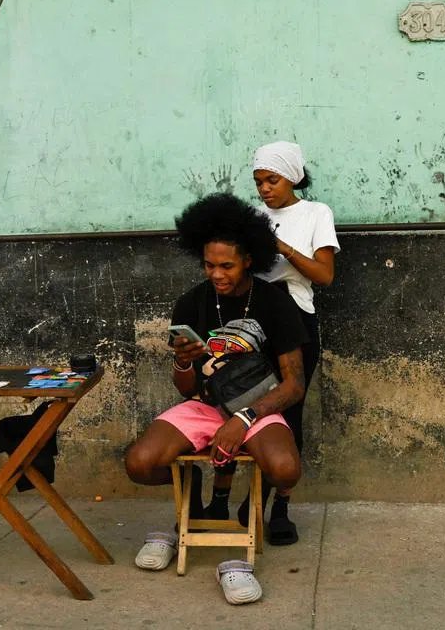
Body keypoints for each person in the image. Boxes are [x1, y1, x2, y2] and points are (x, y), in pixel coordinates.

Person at [125, 192, 307, 604]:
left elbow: (293, 385)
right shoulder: (192, 302)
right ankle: (188, 489)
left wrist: (243, 419)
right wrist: (185, 363)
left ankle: (230, 508)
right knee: (139, 464)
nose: (217, 274)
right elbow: (187, 390)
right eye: (209, 265)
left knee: (284, 471)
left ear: (248, 259)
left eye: (226, 265)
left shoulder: (274, 301)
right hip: (206, 407)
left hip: (257, 407)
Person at [206, 141, 339, 546]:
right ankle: (220, 499)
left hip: (294, 317)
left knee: (288, 409)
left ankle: (276, 506)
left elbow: (324, 275)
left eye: (272, 179)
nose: (264, 188)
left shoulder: (315, 213)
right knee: (229, 400)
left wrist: (279, 245)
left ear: (294, 176)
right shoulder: (251, 218)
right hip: (249, 319)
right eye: (259, 181)